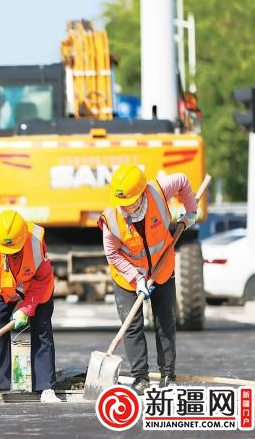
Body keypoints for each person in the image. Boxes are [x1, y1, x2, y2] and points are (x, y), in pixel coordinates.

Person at [98, 164, 198, 395]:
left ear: (142, 193)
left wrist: (191, 211)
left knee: (165, 322)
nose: (126, 207)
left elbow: (183, 179)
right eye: (122, 203)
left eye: (131, 202)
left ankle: (167, 376)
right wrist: (136, 278)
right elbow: (112, 254)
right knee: (132, 326)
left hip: (162, 269)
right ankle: (140, 378)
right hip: (127, 278)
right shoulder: (112, 219)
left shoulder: (158, 191)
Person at [0, 209, 60, 404]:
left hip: (36, 289)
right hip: (4, 290)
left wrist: (26, 308)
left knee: (42, 329)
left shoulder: (35, 241)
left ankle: (46, 387)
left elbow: (44, 281)